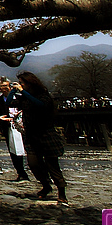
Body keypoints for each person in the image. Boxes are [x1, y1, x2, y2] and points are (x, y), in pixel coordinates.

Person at [12, 70, 68, 205]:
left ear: (30, 83)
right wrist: (12, 91)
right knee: (33, 163)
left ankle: (62, 193)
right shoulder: (25, 97)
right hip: (31, 135)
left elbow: (40, 105)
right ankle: (46, 185)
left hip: (45, 133)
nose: (21, 85)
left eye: (22, 83)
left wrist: (23, 92)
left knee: (52, 165)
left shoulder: (43, 96)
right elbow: (10, 104)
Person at [0, 76, 30, 181]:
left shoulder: (19, 97)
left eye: (6, 86)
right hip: (8, 128)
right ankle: (21, 172)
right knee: (13, 151)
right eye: (2, 86)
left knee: (27, 149)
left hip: (23, 127)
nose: (4, 88)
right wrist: (0, 122)